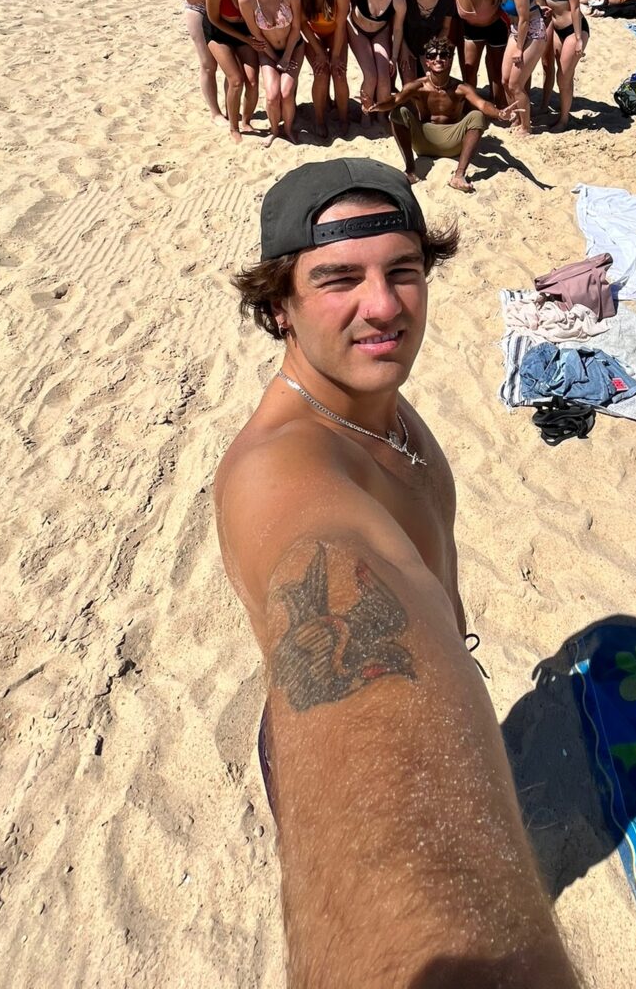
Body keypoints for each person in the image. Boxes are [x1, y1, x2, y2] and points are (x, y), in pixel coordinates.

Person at [214, 161, 579, 986]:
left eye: (403, 271)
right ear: (279, 306)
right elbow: (328, 556)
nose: (384, 307)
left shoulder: (373, 404)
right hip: (331, 720)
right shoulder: (282, 474)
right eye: (339, 279)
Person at [366, 39, 519, 193]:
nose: (438, 59)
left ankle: (459, 175)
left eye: (443, 55)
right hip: (423, 140)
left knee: (477, 116)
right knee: (398, 112)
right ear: (427, 62)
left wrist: (500, 114)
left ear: (450, 60)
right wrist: (375, 106)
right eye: (432, 56)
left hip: (452, 143)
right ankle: (411, 170)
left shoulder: (460, 88)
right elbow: (394, 100)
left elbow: (483, 104)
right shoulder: (418, 86)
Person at [243, 0, 304, 146]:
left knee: (286, 94)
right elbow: (257, 35)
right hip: (267, 50)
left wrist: (286, 57)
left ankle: (289, 129)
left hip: (293, 48)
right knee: (272, 96)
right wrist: (276, 58)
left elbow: (296, 28)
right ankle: (275, 130)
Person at [203, 0, 264, 141]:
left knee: (252, 81)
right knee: (236, 80)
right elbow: (214, 19)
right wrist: (246, 39)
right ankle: (233, 128)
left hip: (244, 31)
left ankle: (246, 121)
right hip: (218, 31)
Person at [348, 0, 405, 123]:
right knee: (370, 75)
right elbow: (340, 0)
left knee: (384, 76)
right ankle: (366, 112)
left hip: (380, 32)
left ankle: (381, 114)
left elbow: (398, 29)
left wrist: (393, 57)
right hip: (357, 30)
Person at [297, 0, 351, 139]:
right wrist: (320, 52)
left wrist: (335, 56)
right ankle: (320, 120)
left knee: (339, 72)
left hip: (336, 33)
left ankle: (343, 119)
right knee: (321, 74)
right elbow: (303, 24)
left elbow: (341, 24)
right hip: (313, 35)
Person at [542, 0, 587, 132]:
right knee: (561, 72)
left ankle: (564, 120)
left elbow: (575, 7)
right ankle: (563, 112)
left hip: (573, 29)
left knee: (564, 77)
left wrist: (578, 39)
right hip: (556, 28)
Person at [501, 0, 548, 136]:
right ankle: (516, 118)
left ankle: (526, 126)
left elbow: (525, 19)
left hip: (533, 30)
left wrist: (519, 48)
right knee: (505, 80)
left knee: (515, 84)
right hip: (516, 30)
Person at [450, 0, 508, 108]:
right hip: (472, 29)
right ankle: (471, 107)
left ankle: (499, 105)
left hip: (496, 27)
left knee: (497, 71)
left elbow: (507, 2)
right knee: (469, 69)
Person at [399, 0, 456, 82]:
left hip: (432, 46)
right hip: (408, 43)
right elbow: (397, 25)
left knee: (433, 83)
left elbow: (446, 28)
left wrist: (434, 51)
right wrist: (403, 48)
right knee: (410, 86)